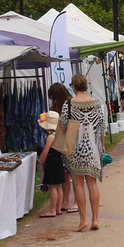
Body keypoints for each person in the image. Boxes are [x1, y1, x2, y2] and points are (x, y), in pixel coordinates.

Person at [65, 73, 106, 232]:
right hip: (93, 148)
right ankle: (95, 218)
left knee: (78, 184)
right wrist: (102, 145)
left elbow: (62, 126)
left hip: (75, 148)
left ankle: (83, 220)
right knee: (92, 183)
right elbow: (101, 127)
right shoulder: (96, 103)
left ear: (73, 86)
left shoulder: (68, 105)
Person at [47, 82, 76, 214]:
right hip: (62, 143)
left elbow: (67, 125)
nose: (53, 100)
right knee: (65, 173)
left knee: (74, 174)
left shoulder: (69, 104)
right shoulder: (63, 104)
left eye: (53, 97)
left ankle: (75, 201)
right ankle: (65, 201)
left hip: (69, 142)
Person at [37, 110, 65, 217]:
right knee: (58, 187)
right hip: (58, 161)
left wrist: (41, 161)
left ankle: (52, 209)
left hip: (51, 162)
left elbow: (45, 151)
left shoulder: (50, 137)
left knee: (53, 187)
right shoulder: (60, 135)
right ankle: (58, 208)